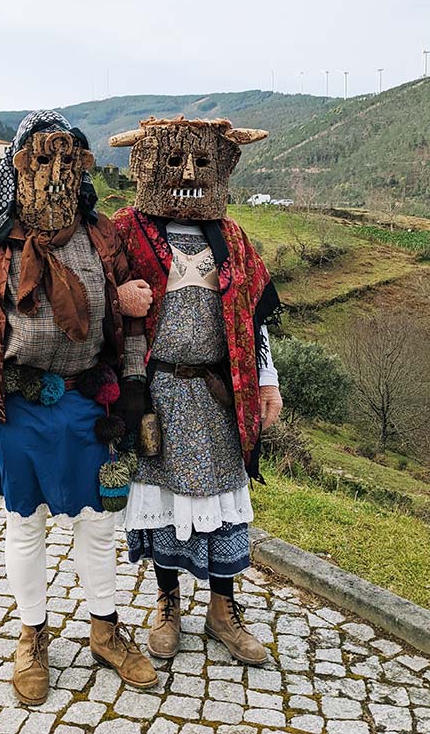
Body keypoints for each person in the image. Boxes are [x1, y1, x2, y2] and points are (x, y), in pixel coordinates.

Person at [0, 110, 157, 706]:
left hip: (92, 402)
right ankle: (32, 636)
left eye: (67, 159)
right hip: (21, 405)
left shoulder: (103, 235)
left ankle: (105, 630)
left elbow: (129, 314)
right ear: (20, 165)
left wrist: (134, 386)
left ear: (80, 165)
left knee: (99, 521)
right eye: (43, 159)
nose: (56, 172)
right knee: (25, 523)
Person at [112, 116, 283, 666]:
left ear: (224, 168)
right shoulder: (125, 230)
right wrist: (118, 300)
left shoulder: (232, 236)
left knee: (222, 500)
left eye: (203, 164)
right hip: (157, 393)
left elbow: (251, 317)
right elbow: (93, 293)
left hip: (220, 391)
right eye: (175, 162)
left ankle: (222, 609)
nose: (188, 174)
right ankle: (167, 604)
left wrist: (267, 380)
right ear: (146, 164)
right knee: (163, 496)